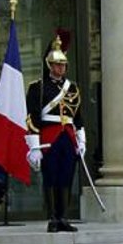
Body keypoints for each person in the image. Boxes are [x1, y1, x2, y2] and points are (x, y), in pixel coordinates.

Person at [26, 30, 86, 233]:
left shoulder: (73, 88)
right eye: (57, 65)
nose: (61, 68)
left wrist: (81, 140)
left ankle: (64, 216)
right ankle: (52, 217)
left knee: (67, 176)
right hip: (49, 136)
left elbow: (77, 117)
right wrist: (34, 145)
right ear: (49, 65)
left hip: (67, 137)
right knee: (51, 176)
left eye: (63, 65)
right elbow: (32, 117)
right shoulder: (38, 88)